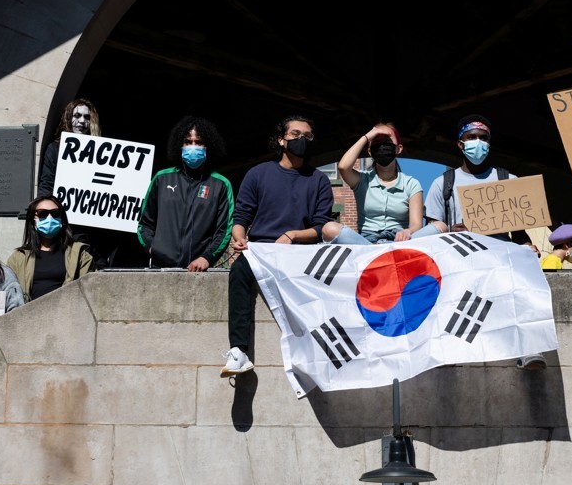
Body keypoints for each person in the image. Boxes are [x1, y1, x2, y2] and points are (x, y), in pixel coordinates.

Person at [223, 115, 334, 377]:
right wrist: (239, 238)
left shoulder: (318, 180)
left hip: (299, 253)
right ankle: (238, 351)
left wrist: (293, 235)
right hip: (261, 251)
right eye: (295, 134)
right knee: (238, 273)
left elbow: (322, 228)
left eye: (307, 136)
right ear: (281, 140)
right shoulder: (258, 174)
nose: (301, 140)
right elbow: (240, 219)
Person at [137, 116, 234, 270]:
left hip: (199, 272)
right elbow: (145, 223)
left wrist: (206, 257)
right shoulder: (162, 178)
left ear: (208, 146)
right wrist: (152, 248)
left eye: (199, 142)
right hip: (160, 269)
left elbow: (223, 230)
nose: (193, 146)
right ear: (180, 145)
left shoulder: (220, 184)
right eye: (188, 142)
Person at [423, 114, 531, 245]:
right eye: (471, 137)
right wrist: (450, 232)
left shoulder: (509, 181)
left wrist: (528, 249)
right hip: (461, 258)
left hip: (500, 258)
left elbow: (519, 234)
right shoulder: (442, 184)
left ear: (489, 144)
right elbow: (431, 233)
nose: (478, 142)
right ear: (460, 144)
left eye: (483, 138)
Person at [321, 123, 436, 245]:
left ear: (399, 148)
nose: (382, 146)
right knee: (329, 228)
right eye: (376, 143)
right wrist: (368, 136)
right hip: (366, 242)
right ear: (370, 151)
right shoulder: (362, 179)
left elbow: (416, 224)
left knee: (440, 226)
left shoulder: (411, 184)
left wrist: (408, 232)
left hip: (400, 241)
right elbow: (343, 167)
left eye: (387, 141)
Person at [7, 196, 93, 301]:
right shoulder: (18, 258)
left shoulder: (80, 255)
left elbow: (90, 290)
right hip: (30, 315)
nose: (50, 218)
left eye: (55, 213)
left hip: (66, 314)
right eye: (42, 214)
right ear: (33, 221)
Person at [38, 98, 100, 197]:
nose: (82, 121)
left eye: (87, 117)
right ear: (68, 119)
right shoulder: (54, 149)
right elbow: (46, 185)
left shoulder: (98, 152)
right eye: (77, 116)